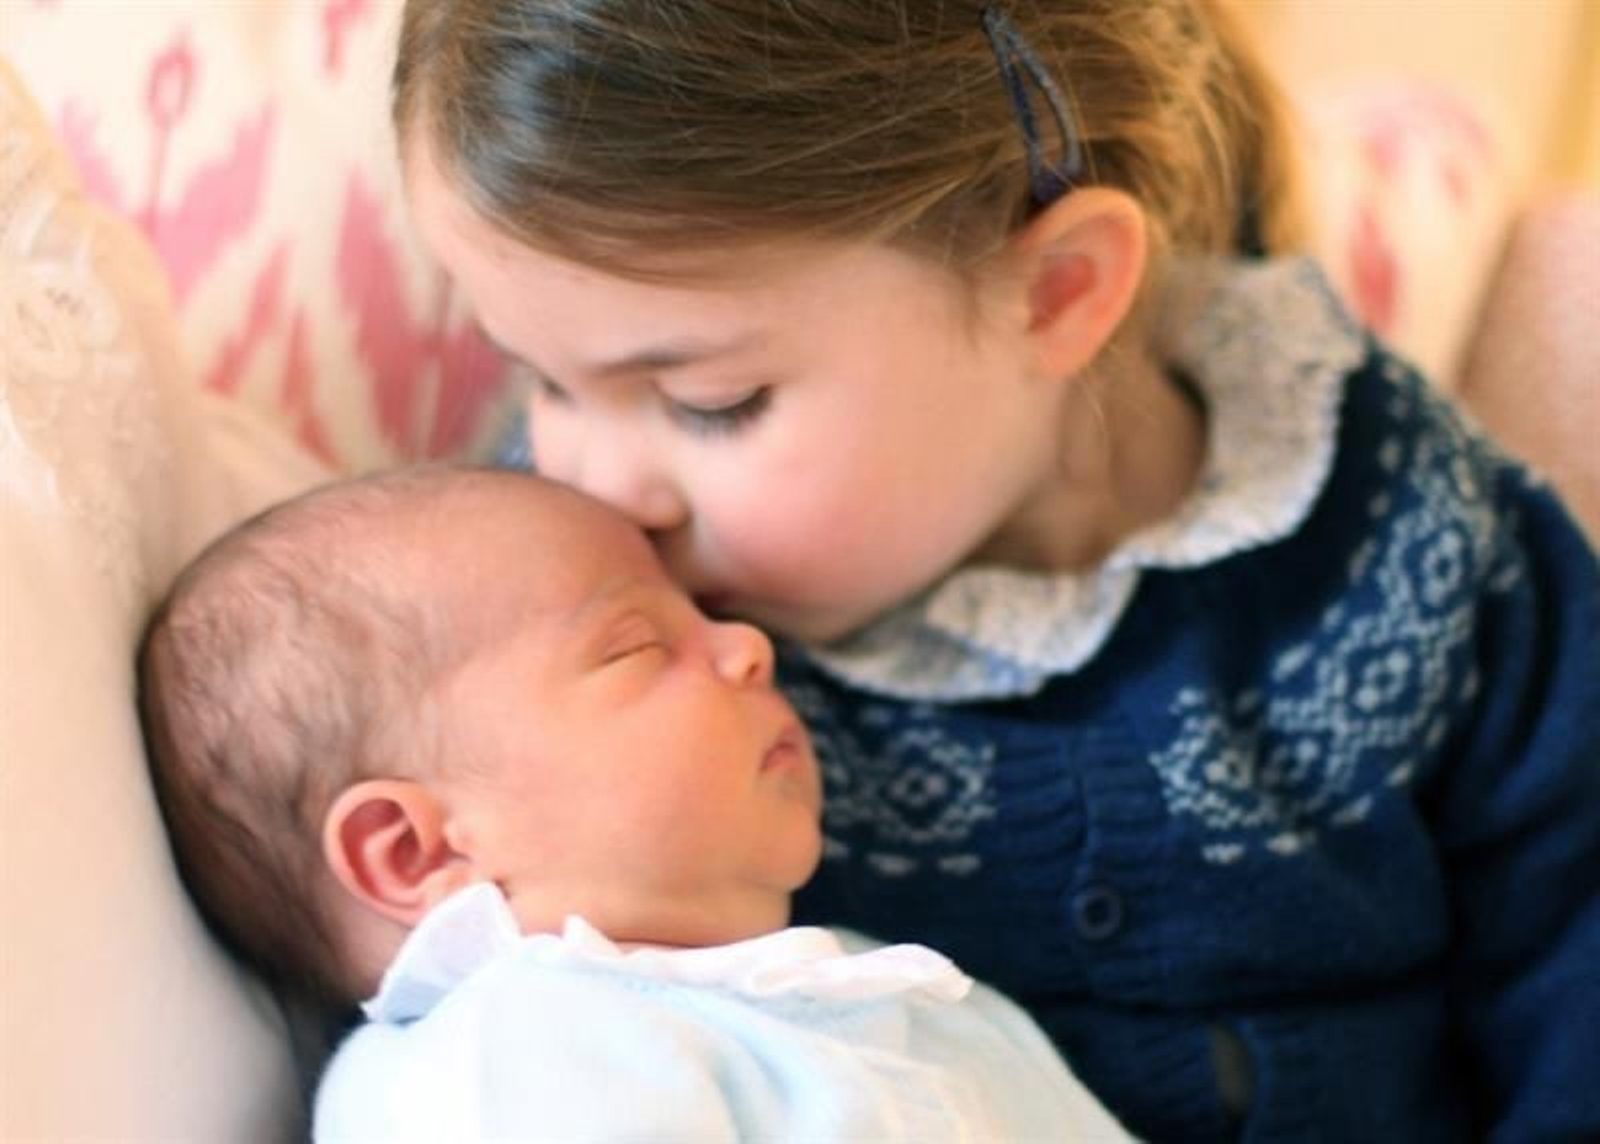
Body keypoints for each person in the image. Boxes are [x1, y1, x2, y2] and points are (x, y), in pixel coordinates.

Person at [389, 1, 1600, 1140]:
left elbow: (1571, 927)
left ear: (1058, 291)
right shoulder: (585, 617)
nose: (599, 483)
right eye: (543, 379)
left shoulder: (1402, 524)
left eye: (713, 402)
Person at [136, 467, 1132, 1142]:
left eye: (706, 619)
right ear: (415, 851)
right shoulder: (508, 1050)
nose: (748, 649)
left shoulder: (879, 988)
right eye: (635, 646)